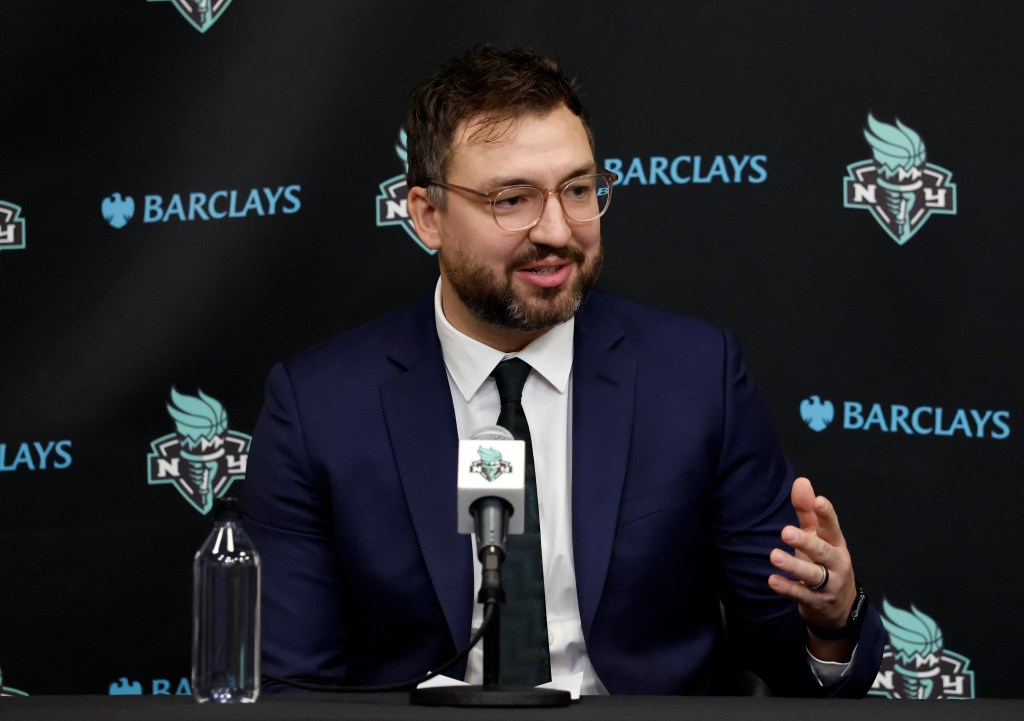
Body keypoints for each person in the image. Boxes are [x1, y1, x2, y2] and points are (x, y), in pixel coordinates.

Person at [242, 46, 883, 697]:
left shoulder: (695, 378)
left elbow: (786, 650)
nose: (556, 230)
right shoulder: (319, 406)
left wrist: (831, 623)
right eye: (511, 199)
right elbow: (292, 687)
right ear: (427, 214)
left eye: (577, 190)